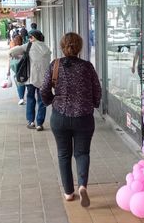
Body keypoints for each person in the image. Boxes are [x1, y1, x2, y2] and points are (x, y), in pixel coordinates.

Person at [41, 32, 101, 206]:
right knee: (82, 153)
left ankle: (68, 192)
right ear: (80, 47)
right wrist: (94, 104)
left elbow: (44, 89)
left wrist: (51, 102)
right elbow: (97, 89)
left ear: (62, 46)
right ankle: (82, 186)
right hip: (84, 117)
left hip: (60, 117)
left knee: (63, 154)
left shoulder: (55, 65)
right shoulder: (87, 67)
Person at [9, 29, 51, 130]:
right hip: (43, 79)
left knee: (30, 98)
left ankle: (31, 122)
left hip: (31, 78)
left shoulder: (29, 45)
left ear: (33, 37)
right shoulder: (46, 48)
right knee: (41, 101)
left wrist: (22, 54)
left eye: (30, 37)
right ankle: (40, 123)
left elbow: (11, 52)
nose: (29, 39)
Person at [8, 34, 26, 105]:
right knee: (23, 83)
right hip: (24, 68)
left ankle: (21, 98)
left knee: (19, 83)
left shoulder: (13, 49)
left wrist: (8, 71)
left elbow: (9, 59)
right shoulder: (23, 48)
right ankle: (22, 97)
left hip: (16, 69)